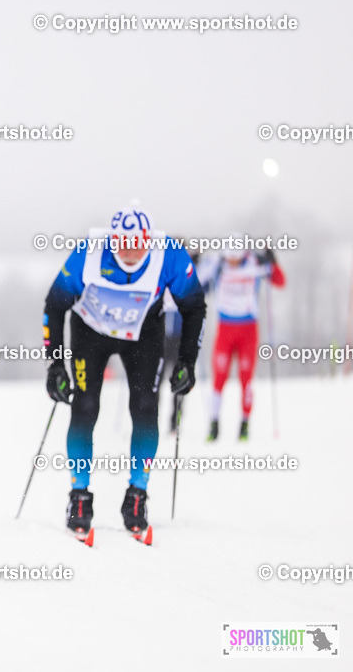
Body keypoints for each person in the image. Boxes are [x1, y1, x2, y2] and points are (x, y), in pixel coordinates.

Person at [42, 206, 205, 540]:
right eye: (123, 244)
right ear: (111, 240)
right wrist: (55, 364)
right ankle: (79, 497)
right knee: (85, 407)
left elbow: (194, 306)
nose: (131, 252)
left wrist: (188, 361)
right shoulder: (88, 253)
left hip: (143, 335)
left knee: (145, 408)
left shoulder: (169, 254)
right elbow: (55, 304)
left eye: (139, 244)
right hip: (91, 332)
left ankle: (136, 496)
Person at [197, 238, 285, 441]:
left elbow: (279, 281)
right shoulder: (217, 265)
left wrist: (273, 262)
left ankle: (244, 425)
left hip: (248, 330)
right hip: (225, 329)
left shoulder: (255, 263)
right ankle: (214, 424)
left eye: (236, 258)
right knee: (218, 379)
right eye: (230, 258)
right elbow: (196, 285)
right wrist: (195, 262)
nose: (233, 262)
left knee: (246, 379)